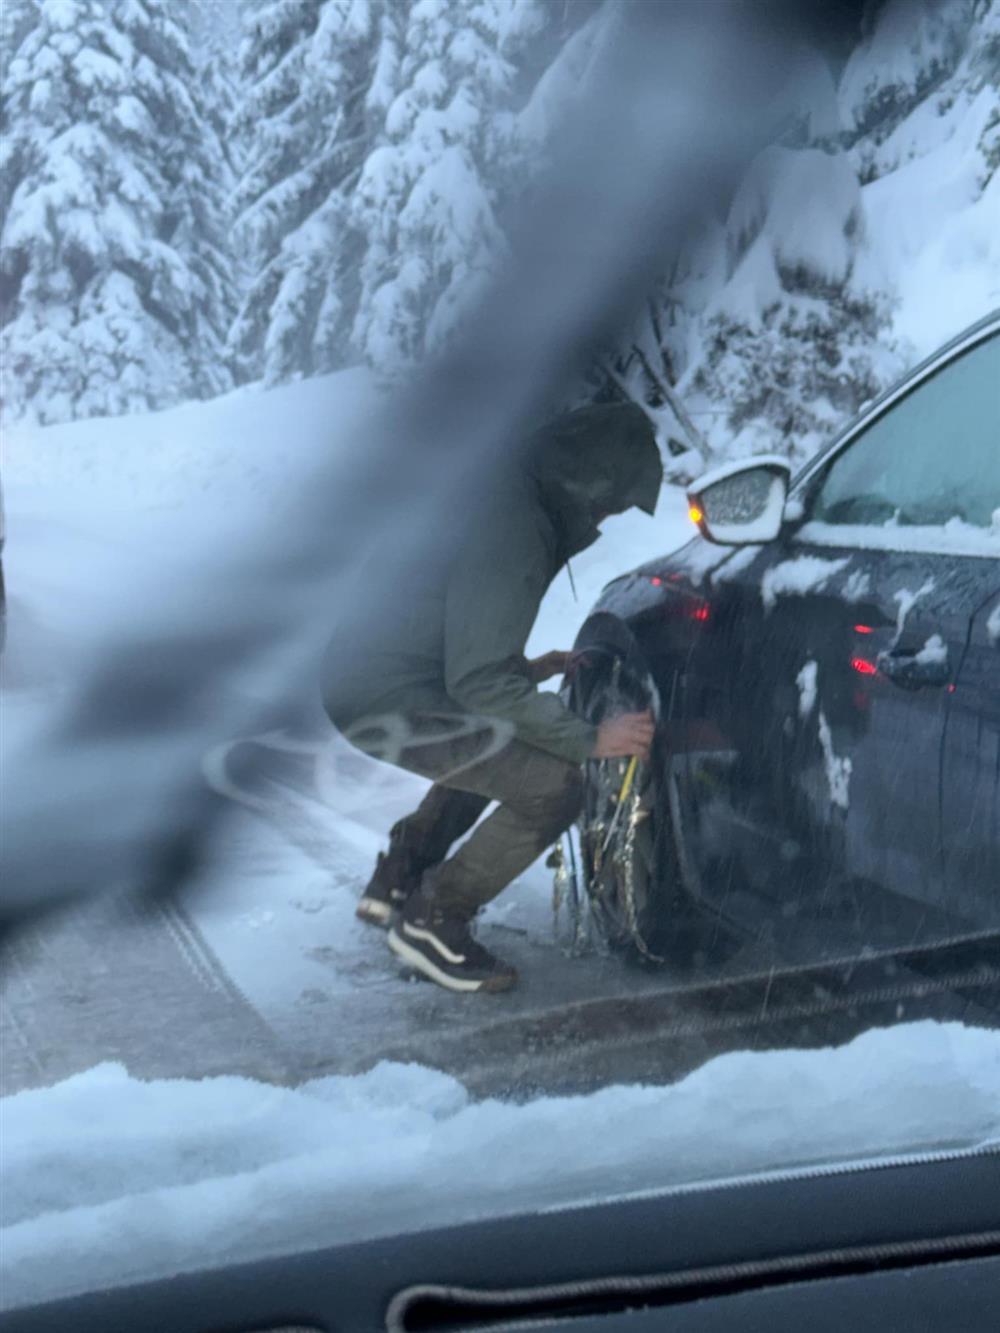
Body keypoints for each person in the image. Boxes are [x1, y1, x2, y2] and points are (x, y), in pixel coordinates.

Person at [322, 403, 660, 993]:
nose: (608, 518)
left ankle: (400, 875)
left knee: (506, 741)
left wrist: (527, 670)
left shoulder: (504, 495)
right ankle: (434, 920)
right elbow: (478, 683)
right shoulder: (516, 527)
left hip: (377, 675)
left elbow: (450, 643)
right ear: (590, 482)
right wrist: (588, 738)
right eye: (614, 502)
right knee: (554, 786)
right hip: (388, 696)